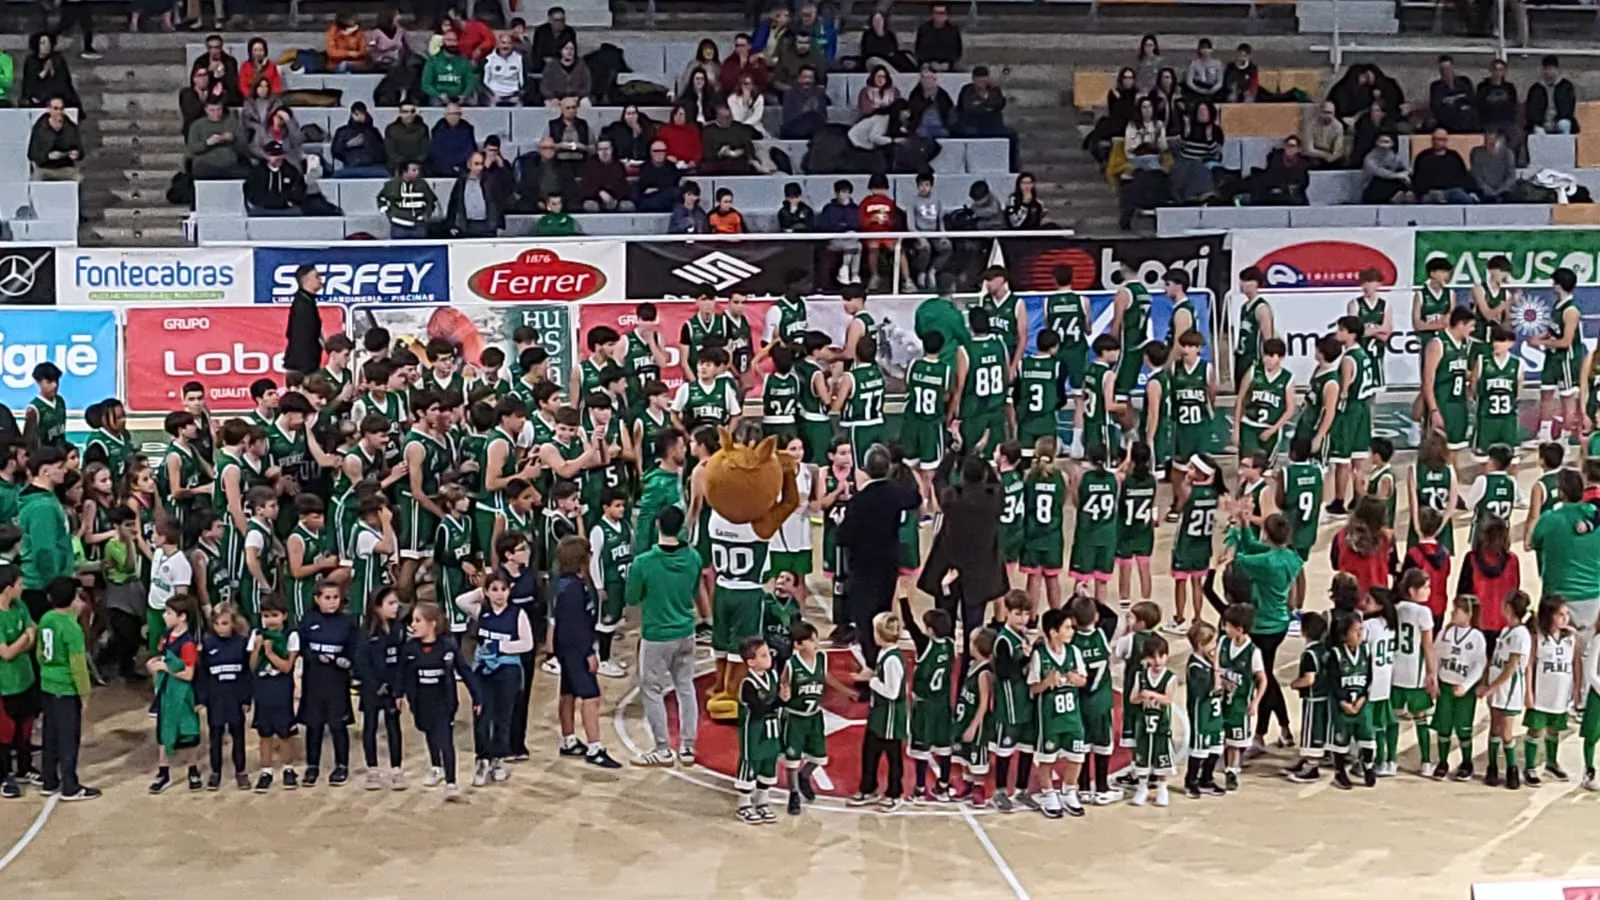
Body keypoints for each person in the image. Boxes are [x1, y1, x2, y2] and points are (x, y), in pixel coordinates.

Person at [626, 506, 701, 766]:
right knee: (686, 687)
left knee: (652, 688)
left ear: (657, 524)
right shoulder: (693, 557)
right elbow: (693, 589)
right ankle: (688, 747)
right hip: (686, 631)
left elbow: (631, 597)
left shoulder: (643, 563)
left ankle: (662, 749)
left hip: (657, 634)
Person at [402, 601, 480, 801]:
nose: (413, 625)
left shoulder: (448, 647)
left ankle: (452, 782)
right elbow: (401, 675)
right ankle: (436, 767)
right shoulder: (411, 648)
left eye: (418, 620)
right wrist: (397, 696)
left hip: (443, 702)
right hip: (420, 701)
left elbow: (465, 671)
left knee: (445, 739)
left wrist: (477, 697)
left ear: (432, 624)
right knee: (429, 732)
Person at [36, 576, 97, 800]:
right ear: (73, 599)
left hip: (47, 683)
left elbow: (41, 653)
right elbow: (78, 665)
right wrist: (85, 693)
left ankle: (49, 779)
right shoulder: (72, 628)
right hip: (66, 687)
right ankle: (70, 786)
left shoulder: (46, 619)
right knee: (68, 737)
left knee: (49, 734)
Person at [1524, 596, 1576, 784]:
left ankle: (1552, 763)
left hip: (1561, 693)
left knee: (1555, 729)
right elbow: (1529, 665)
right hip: (1541, 693)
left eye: (1566, 614)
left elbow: (1575, 665)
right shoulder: (1537, 636)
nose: (1565, 618)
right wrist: (1528, 692)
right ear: (1549, 615)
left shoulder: (1571, 637)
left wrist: (1576, 692)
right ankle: (1529, 767)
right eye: (1560, 614)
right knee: (1536, 730)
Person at [956, 65, 1017, 171]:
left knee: (1012, 136)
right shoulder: (966, 90)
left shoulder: (995, 91)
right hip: (972, 125)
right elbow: (967, 107)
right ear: (973, 80)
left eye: (984, 81)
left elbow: (999, 105)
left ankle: (1012, 166)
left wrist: (983, 102)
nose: (981, 84)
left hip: (993, 125)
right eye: (978, 81)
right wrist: (986, 107)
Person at [186, 98, 245, 180]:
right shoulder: (197, 125)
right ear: (206, 110)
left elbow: (243, 144)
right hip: (205, 164)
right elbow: (192, 148)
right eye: (212, 110)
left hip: (230, 164)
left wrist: (233, 138)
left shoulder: (230, 122)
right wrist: (207, 143)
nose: (216, 113)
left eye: (218, 110)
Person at [1413, 128, 1476, 204]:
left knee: (1462, 196)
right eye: (1434, 139)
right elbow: (1417, 179)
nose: (1436, 142)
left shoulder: (1454, 157)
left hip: (1451, 191)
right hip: (1430, 192)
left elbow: (1464, 176)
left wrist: (1471, 191)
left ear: (1446, 141)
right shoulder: (1423, 157)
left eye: (1440, 139)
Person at [378, 161, 439, 239]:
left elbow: (431, 201)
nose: (417, 172)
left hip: (418, 225)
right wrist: (390, 214)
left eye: (418, 170)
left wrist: (425, 215)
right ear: (405, 172)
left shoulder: (423, 185)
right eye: (414, 170)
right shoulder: (391, 185)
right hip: (398, 225)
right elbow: (381, 199)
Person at [26, 96, 82, 181]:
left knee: (78, 178)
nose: (59, 112)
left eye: (61, 109)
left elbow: (80, 150)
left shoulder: (71, 127)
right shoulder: (39, 128)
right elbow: (32, 153)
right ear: (49, 109)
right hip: (45, 168)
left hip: (65, 168)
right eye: (56, 108)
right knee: (36, 179)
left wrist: (76, 153)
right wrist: (47, 156)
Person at [331, 102, 387, 177]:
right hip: (351, 165)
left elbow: (382, 151)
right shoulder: (342, 131)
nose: (359, 117)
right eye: (356, 114)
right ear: (351, 115)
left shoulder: (373, 131)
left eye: (361, 114)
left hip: (372, 166)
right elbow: (335, 151)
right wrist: (348, 145)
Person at [1526, 55, 1577, 135]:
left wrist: (1555, 122)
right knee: (1539, 132)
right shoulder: (1536, 89)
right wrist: (1542, 123)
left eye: (1551, 68)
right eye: (1546, 69)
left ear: (1557, 69)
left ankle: (1564, 147)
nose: (1548, 72)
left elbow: (1568, 109)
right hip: (1542, 123)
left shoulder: (1566, 87)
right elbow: (1532, 111)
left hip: (1559, 121)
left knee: (1564, 125)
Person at [780, 66, 830, 140]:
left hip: (815, 129)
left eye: (810, 78)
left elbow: (824, 117)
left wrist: (815, 111)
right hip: (794, 130)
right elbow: (787, 119)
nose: (807, 81)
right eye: (804, 77)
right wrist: (804, 111)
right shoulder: (790, 93)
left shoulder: (819, 93)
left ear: (814, 80)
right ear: (798, 78)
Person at [1470, 131, 1518, 203]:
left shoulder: (1508, 154)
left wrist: (1499, 191)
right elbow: (1477, 176)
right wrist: (1487, 189)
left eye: (1494, 141)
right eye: (1487, 141)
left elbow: (1511, 177)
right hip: (1483, 192)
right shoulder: (1477, 154)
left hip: (1504, 192)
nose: (1490, 144)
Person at [914, 3, 962, 71]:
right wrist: (930, 63)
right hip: (928, 65)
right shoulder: (924, 29)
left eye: (942, 13)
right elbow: (919, 50)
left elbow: (957, 50)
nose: (939, 16)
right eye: (936, 13)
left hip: (948, 65)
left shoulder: (953, 30)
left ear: (947, 15)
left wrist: (949, 63)